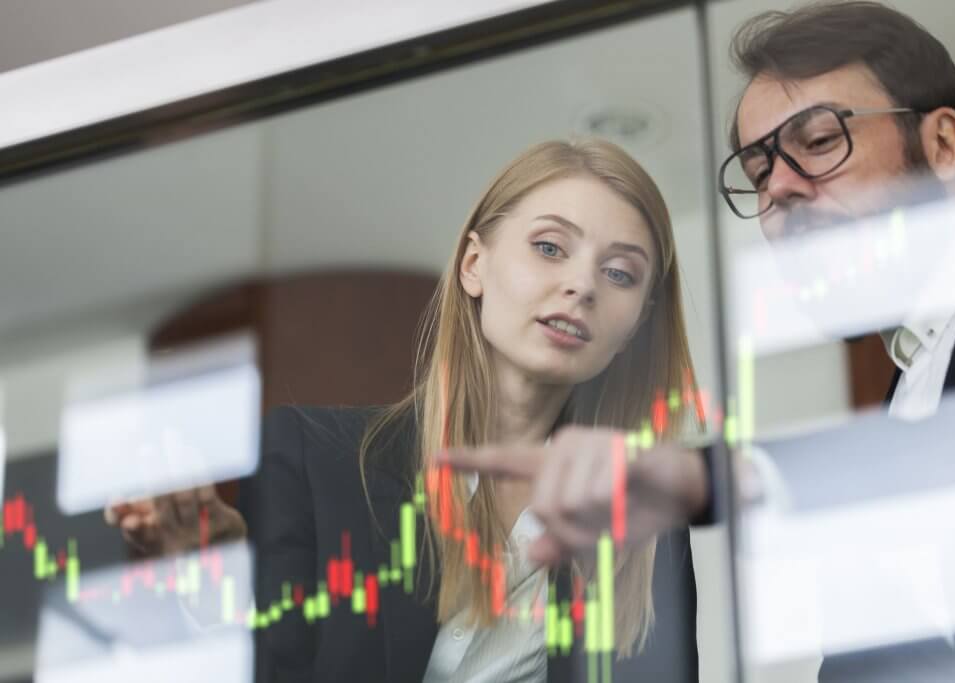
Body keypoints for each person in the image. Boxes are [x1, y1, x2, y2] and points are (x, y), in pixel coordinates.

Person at [451, 2, 955, 681]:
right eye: (759, 171)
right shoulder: (916, 375)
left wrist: (711, 479)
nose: (779, 188)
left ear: (944, 146)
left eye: (818, 141)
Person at [108, 138, 705, 682]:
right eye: (549, 247)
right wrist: (211, 579)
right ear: (474, 265)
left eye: (620, 272)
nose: (582, 285)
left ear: (635, 327)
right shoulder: (316, 461)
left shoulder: (645, 528)